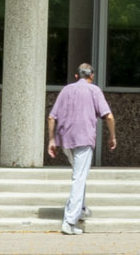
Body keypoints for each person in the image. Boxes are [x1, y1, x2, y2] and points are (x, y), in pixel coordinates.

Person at [46, 61, 116, 235]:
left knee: (79, 174)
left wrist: (51, 140)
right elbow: (108, 116)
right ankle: (69, 221)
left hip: (65, 140)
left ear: (77, 76)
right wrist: (112, 136)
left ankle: (81, 208)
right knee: (79, 177)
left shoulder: (66, 90)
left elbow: (51, 117)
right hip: (83, 139)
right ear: (91, 76)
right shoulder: (94, 90)